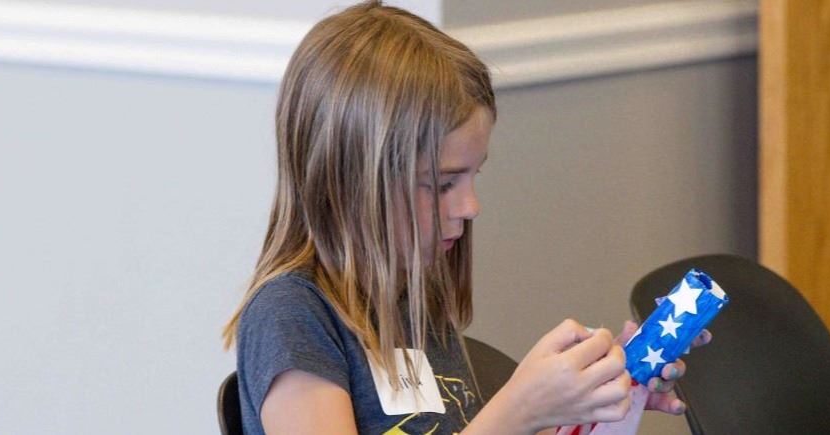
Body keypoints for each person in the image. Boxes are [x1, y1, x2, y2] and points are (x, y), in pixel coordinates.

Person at [219, 2, 707, 433]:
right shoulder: (292, 317)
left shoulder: (410, 299)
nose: (471, 206)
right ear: (348, 179)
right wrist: (517, 411)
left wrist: (600, 400)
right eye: (440, 184)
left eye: (474, 176)